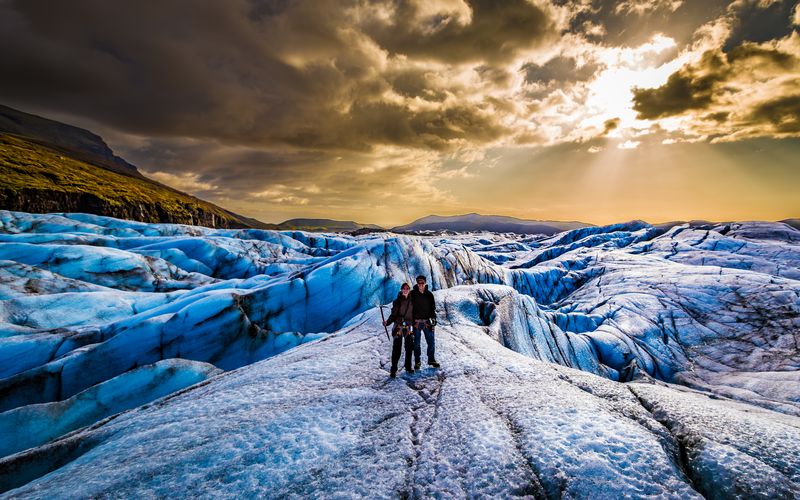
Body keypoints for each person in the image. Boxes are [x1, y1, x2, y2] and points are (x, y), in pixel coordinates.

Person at [383, 283, 415, 378]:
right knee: (397, 349)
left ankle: (408, 367)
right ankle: (393, 370)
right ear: (401, 290)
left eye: (407, 288)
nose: (405, 290)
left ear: (409, 290)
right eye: (404, 288)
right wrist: (387, 322)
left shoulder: (413, 301)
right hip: (398, 326)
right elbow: (393, 315)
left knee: (409, 348)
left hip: (409, 327)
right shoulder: (397, 302)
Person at [411, 275, 439, 369]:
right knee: (416, 343)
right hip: (416, 322)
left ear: (425, 283)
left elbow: (432, 309)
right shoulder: (412, 294)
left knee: (431, 342)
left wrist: (433, 319)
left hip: (427, 322)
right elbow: (407, 306)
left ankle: (431, 359)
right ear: (417, 283)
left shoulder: (429, 295)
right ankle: (417, 361)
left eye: (422, 282)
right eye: (419, 282)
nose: (421, 284)